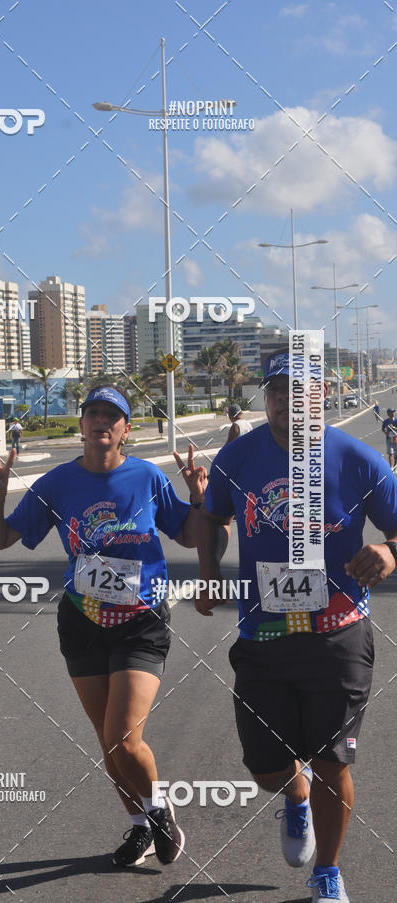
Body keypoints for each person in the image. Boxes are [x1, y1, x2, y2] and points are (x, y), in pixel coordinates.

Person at [194, 349, 397, 903]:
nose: (287, 401)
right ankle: (293, 796)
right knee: (265, 766)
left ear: (321, 396)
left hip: (339, 635)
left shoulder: (357, 460)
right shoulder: (238, 457)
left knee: (333, 762)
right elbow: (213, 516)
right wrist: (210, 573)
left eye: (300, 391)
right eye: (277, 391)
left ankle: (327, 871)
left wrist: (389, 551)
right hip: (263, 636)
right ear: (267, 398)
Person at [0, 385, 208, 868]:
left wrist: (197, 498)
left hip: (140, 621)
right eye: (93, 414)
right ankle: (139, 828)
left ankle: (159, 811)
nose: (101, 421)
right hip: (83, 619)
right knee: (107, 741)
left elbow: (190, 537)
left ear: (126, 429)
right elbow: (1, 539)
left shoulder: (147, 477)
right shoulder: (57, 483)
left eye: (113, 415)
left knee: (124, 738)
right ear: (82, 423)